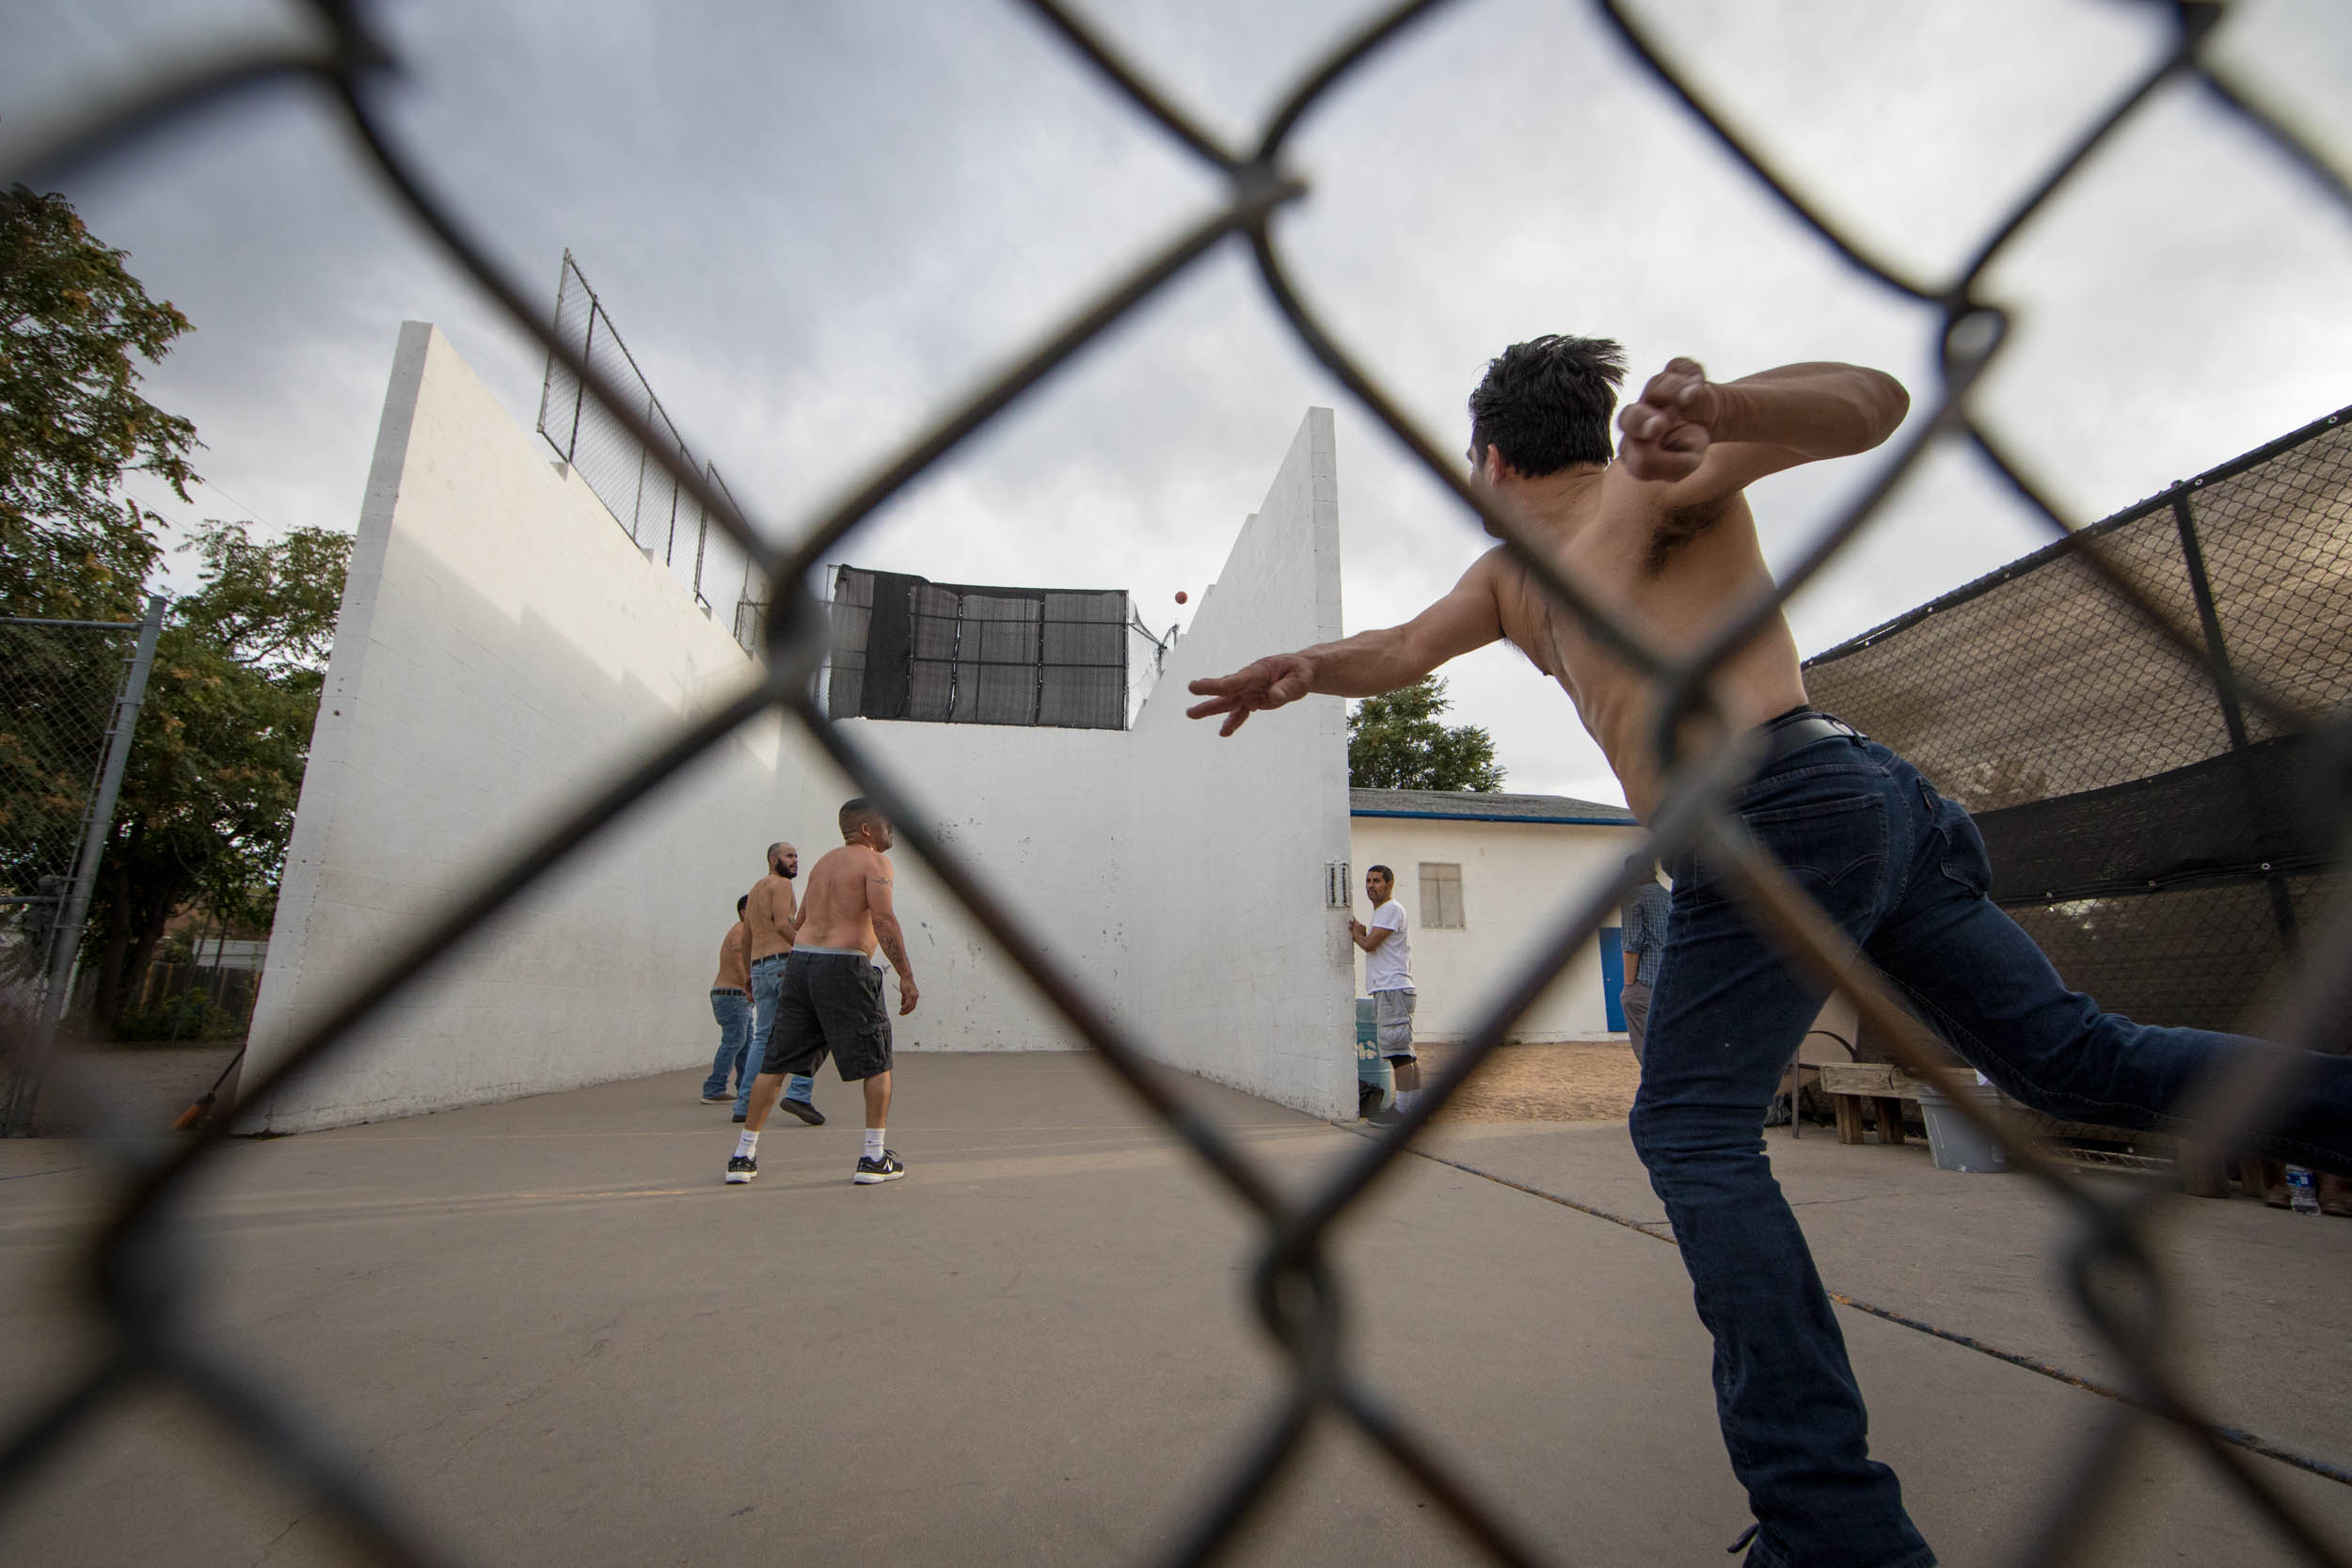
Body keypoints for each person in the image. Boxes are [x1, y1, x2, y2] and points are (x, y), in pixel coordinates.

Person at [1185, 334, 2352, 1568]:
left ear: (1487, 458)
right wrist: (1311, 668)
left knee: (1689, 1128)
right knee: (2066, 1058)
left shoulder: (1658, 476)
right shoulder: (1507, 579)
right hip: (1856, 802)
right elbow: (1406, 648)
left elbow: (1873, 401)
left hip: (1772, 810)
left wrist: (1726, 408)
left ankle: (1830, 1522)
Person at [728, 798, 919, 1187]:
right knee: (877, 1059)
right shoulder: (875, 863)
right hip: (845, 965)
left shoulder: (821, 865)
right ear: (866, 829)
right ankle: (873, 1157)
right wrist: (906, 975)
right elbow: (883, 918)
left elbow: (800, 925)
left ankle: (742, 1157)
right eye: (886, 824)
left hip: (802, 964)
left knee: (775, 1060)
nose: (891, 832)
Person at [739, 841, 822, 1126]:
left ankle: (744, 1103)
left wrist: (748, 974)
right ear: (773, 859)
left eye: (797, 855)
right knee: (808, 1029)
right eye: (789, 856)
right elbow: (781, 925)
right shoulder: (781, 886)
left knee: (763, 1036)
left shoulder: (754, 890)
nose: (795, 860)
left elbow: (746, 936)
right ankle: (799, 1094)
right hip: (783, 965)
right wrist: (806, 949)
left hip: (760, 967)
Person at [1348, 863, 1418, 1125]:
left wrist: (1357, 933)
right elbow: (1375, 942)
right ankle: (1415, 1109)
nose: (1370, 886)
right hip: (1392, 990)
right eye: (1367, 881)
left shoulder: (1390, 909)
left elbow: (1369, 945)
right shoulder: (1384, 912)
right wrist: (1364, 931)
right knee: (1405, 1052)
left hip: (1392, 990)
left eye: (1377, 881)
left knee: (1398, 1053)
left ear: (1389, 884)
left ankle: (1403, 1111)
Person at [700, 895, 755, 1103]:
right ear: (743, 912)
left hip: (737, 996)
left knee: (746, 1043)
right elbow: (741, 964)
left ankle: (745, 1088)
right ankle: (714, 1089)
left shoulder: (746, 932)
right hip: (732, 996)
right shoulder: (740, 931)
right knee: (734, 1041)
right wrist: (749, 986)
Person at [1617, 857, 1670, 1064]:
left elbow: (1632, 944)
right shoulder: (1669, 896)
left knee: (1647, 1050)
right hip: (1671, 981)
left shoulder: (1634, 898)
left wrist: (1629, 986)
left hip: (1645, 982)